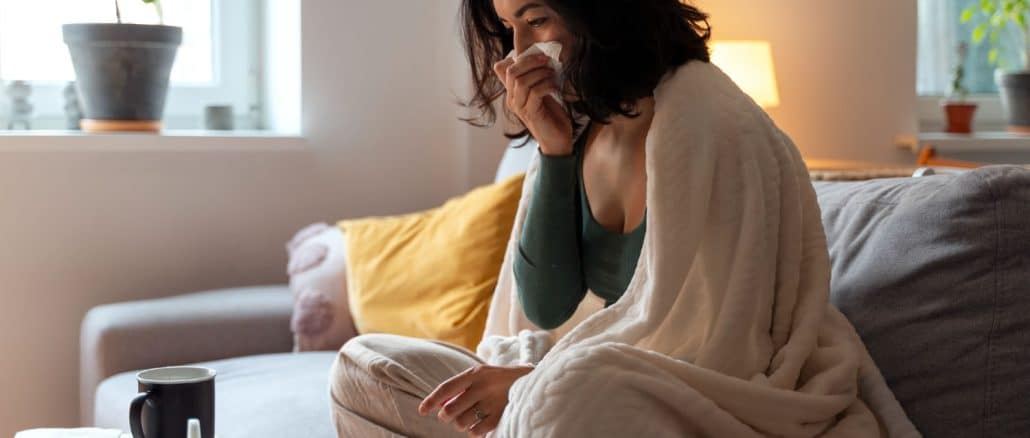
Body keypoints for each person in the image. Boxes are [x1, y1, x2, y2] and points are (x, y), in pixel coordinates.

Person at [329, 1, 916, 437]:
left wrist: (530, 387)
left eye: (535, 20)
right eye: (506, 29)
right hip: (568, 388)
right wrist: (554, 153)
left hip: (692, 400)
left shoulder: (713, 122)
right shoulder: (579, 124)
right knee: (365, 366)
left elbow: (723, 349)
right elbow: (545, 308)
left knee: (569, 395)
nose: (519, 52)